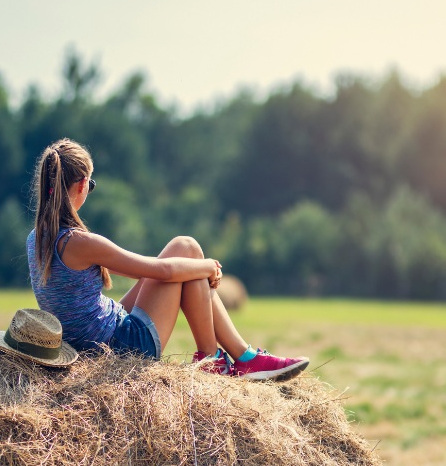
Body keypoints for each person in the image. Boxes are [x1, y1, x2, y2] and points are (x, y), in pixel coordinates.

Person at [26, 138, 309, 380]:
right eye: (92, 184)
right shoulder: (80, 242)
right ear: (83, 184)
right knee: (186, 247)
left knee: (190, 264)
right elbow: (162, 271)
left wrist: (199, 268)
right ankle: (220, 359)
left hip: (90, 342)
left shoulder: (35, 239)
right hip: (123, 347)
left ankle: (235, 358)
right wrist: (209, 266)